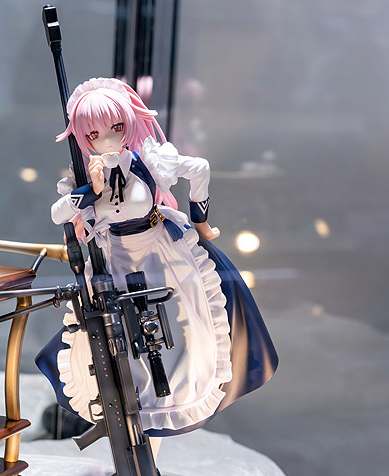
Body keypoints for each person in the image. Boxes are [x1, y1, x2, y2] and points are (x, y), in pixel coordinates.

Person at [36, 78, 278, 450]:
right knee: (118, 353)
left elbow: (199, 168)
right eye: (95, 133)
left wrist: (200, 221)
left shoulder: (148, 160)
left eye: (116, 127)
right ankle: (130, 449)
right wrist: (90, 191)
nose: (107, 139)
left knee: (179, 338)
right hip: (113, 260)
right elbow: (58, 214)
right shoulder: (85, 175)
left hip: (160, 253)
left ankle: (151, 450)